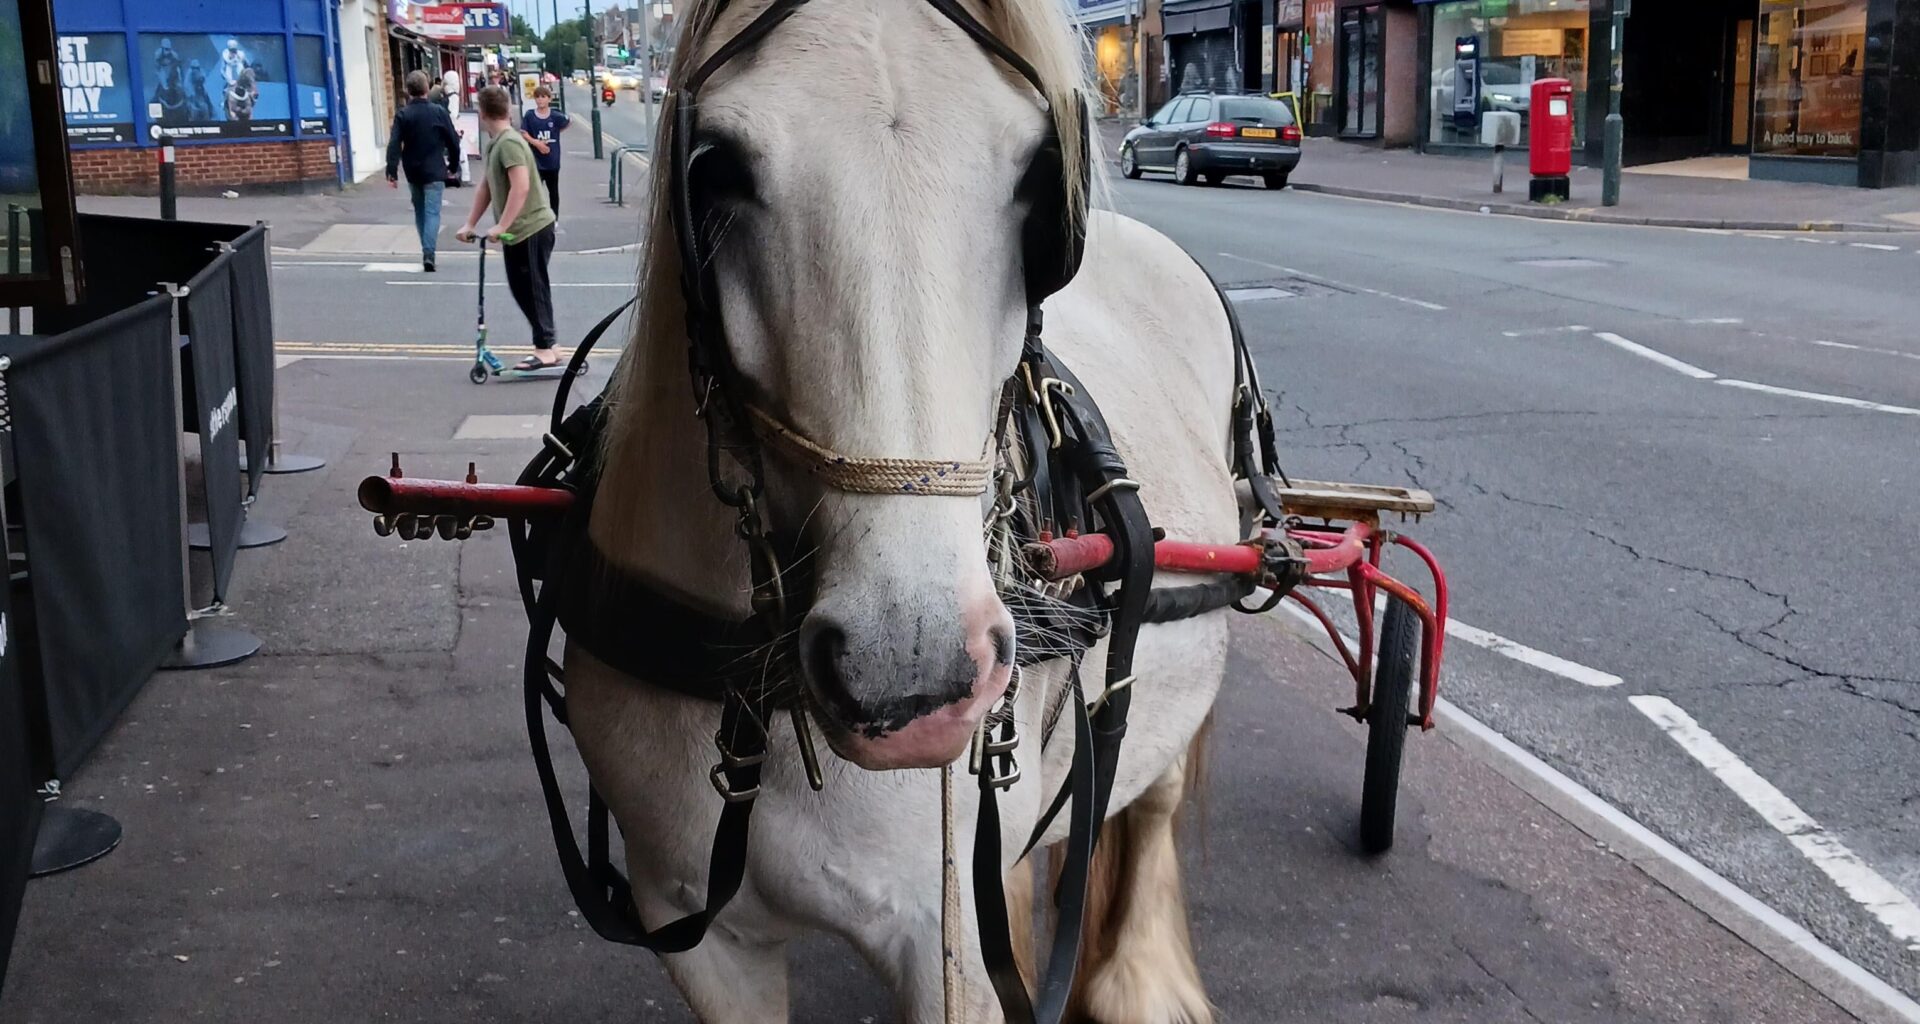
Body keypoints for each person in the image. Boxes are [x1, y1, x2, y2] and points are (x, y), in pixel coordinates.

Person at [458, 84, 560, 369]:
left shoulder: (510, 143)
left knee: (531, 288)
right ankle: (550, 344)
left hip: (532, 228)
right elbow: (487, 187)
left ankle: (545, 348)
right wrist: (470, 223)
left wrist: (501, 224)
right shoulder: (497, 145)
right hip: (517, 231)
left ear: (482, 113)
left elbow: (521, 186)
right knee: (521, 288)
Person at [386, 70, 462, 273]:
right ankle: (429, 252)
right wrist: (453, 167)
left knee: (420, 211)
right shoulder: (438, 112)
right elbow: (453, 141)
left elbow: (394, 144)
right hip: (435, 169)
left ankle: (426, 249)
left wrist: (391, 171)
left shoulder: (403, 114)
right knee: (433, 212)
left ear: (408, 91)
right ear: (427, 88)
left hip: (412, 169)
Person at [519, 85, 571, 216]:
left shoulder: (555, 116)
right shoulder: (530, 115)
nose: (540, 100)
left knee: (553, 190)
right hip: (535, 160)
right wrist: (536, 143)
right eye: (537, 97)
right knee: (532, 191)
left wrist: (556, 132)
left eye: (543, 97)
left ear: (549, 99)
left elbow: (568, 122)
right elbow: (524, 133)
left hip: (552, 160)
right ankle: (533, 216)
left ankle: (555, 217)